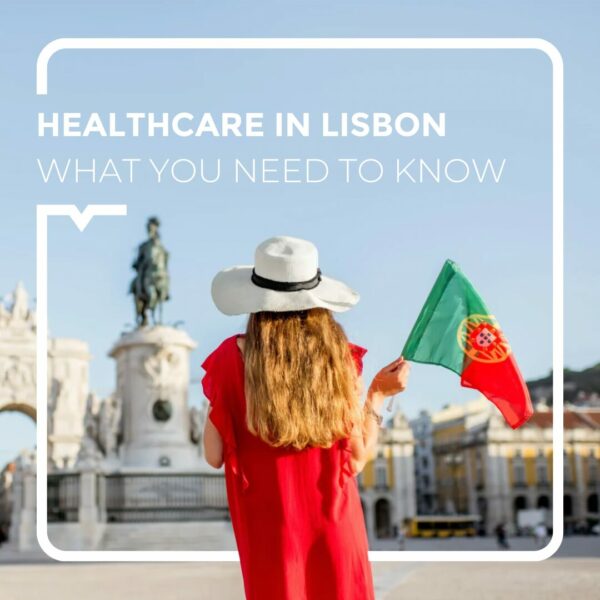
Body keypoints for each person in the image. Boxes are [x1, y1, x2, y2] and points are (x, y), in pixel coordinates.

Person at [202, 236, 410, 600]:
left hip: (271, 535)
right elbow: (357, 458)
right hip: (335, 525)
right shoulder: (340, 360)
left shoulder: (226, 361)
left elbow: (213, 454)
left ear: (257, 300)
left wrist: (224, 395)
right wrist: (377, 394)